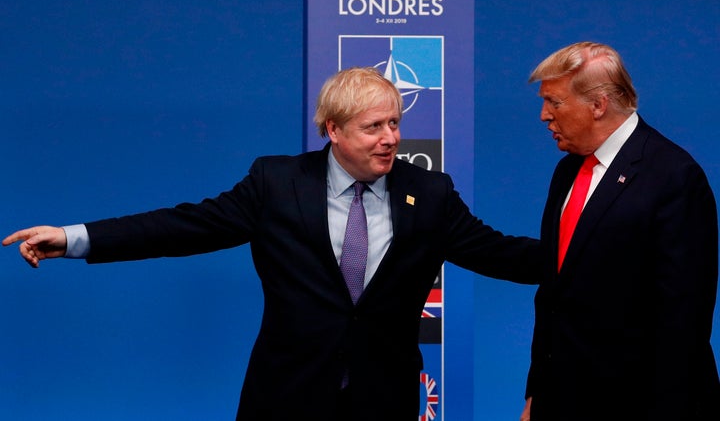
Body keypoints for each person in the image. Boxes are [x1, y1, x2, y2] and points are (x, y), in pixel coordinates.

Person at [4, 67, 540, 421]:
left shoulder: (429, 190)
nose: (392, 139)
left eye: (396, 123)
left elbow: (496, 251)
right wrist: (75, 238)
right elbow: (184, 226)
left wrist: (593, 253)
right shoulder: (277, 183)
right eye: (373, 127)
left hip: (385, 397)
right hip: (287, 395)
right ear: (333, 129)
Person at [519, 42, 719, 421]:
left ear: (599, 105)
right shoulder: (568, 170)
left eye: (555, 102)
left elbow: (683, 321)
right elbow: (555, 293)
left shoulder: (674, 176)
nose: (545, 115)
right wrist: (537, 395)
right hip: (564, 400)